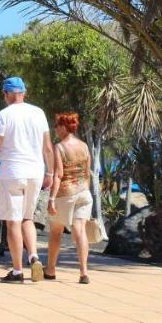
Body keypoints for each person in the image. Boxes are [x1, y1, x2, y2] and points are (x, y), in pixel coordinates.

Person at [0, 77, 56, 283]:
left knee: (13, 222)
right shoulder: (38, 113)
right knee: (27, 218)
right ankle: (34, 256)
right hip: (35, 172)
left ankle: (17, 270)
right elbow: (48, 148)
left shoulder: (3, 115)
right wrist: (50, 173)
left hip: (12, 173)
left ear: (7, 93)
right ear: (24, 92)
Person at [43, 112, 93, 284]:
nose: (55, 130)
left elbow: (58, 175)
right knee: (80, 231)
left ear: (63, 127)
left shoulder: (60, 147)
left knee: (56, 231)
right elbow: (87, 173)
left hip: (66, 194)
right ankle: (83, 272)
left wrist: (51, 199)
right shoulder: (84, 146)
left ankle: (50, 269)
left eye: (56, 126)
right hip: (84, 193)